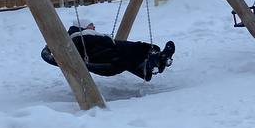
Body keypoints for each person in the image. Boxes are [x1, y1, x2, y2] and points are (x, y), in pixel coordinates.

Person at [40, 21, 175, 81]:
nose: (94, 27)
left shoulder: (74, 39)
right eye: (91, 25)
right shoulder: (83, 37)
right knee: (134, 50)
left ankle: (152, 65)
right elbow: (108, 46)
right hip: (105, 62)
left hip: (104, 61)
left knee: (129, 56)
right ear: (84, 27)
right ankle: (156, 58)